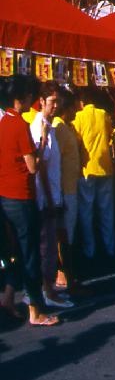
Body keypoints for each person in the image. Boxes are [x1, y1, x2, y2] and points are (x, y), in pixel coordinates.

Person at [0, 75, 58, 325]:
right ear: (21, 98)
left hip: (5, 195)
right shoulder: (19, 125)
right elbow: (33, 166)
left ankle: (8, 298)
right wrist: (42, 142)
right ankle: (35, 309)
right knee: (30, 252)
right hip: (22, 195)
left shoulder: (3, 123)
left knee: (15, 252)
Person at [29, 81, 71, 309]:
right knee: (46, 246)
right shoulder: (39, 126)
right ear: (42, 101)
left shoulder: (50, 125)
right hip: (44, 196)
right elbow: (39, 165)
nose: (56, 105)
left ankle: (50, 288)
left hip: (53, 192)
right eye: (53, 101)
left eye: (58, 101)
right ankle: (46, 291)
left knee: (51, 243)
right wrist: (48, 197)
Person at [75, 87, 115, 265]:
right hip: (105, 168)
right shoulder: (104, 114)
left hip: (86, 170)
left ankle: (89, 250)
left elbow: (76, 141)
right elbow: (110, 134)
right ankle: (110, 247)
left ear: (82, 102)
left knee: (87, 212)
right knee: (106, 211)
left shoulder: (78, 117)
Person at [51, 87, 82, 293]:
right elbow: (56, 162)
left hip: (70, 186)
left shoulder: (66, 126)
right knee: (64, 235)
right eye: (72, 107)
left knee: (67, 234)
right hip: (64, 189)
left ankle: (66, 275)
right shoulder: (58, 128)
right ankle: (64, 276)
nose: (75, 111)